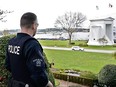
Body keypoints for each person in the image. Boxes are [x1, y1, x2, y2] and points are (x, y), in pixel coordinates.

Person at [5, 12, 53, 87]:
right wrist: (47, 83)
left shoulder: (11, 42)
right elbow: (38, 73)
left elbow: (8, 65)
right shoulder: (32, 44)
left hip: (14, 84)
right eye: (37, 25)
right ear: (34, 25)